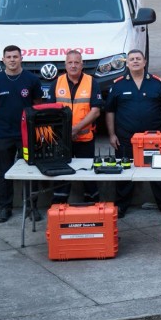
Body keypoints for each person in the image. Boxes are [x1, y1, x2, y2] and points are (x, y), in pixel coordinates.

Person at [106, 49, 161, 218]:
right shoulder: (118, 84)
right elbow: (109, 111)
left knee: (159, 172)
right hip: (125, 138)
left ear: (145, 62)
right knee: (124, 172)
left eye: (138, 58)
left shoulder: (157, 83)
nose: (135, 61)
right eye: (132, 59)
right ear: (127, 64)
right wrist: (111, 134)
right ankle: (121, 206)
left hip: (154, 139)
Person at [0, 45, 44, 223]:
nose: (12, 60)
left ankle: (32, 207)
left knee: (31, 170)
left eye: (15, 56)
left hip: (26, 135)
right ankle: (5, 207)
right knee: (4, 171)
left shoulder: (31, 80)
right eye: (8, 57)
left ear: (21, 58)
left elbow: (37, 104)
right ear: (3, 59)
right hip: (4, 134)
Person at [49, 50, 104, 205]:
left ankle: (93, 204)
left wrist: (76, 129)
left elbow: (96, 111)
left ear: (82, 64)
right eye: (70, 62)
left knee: (88, 174)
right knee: (61, 174)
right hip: (61, 140)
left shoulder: (92, 82)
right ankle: (58, 207)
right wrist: (66, 132)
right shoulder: (57, 82)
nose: (73, 65)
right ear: (65, 65)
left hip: (85, 139)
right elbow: (51, 112)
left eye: (76, 62)